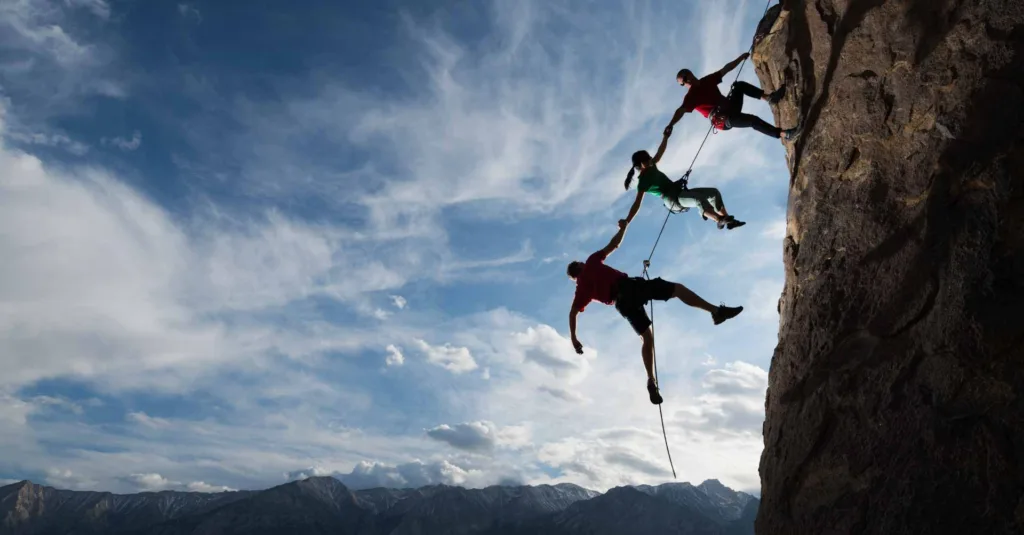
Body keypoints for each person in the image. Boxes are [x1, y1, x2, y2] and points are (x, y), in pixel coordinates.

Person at [566, 219, 744, 405]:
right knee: (676, 289)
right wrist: (623, 227)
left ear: (574, 278)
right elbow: (615, 244)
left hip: (622, 304)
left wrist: (574, 339)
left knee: (647, 338)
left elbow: (572, 313)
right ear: (579, 266)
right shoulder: (591, 262)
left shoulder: (581, 291)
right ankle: (716, 311)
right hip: (630, 288)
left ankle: (651, 380)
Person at [622, 130, 745, 230]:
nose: (650, 160)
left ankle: (729, 220)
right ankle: (718, 220)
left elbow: (660, 152)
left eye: (649, 158)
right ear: (640, 164)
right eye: (647, 160)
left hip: (678, 191)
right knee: (698, 199)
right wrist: (627, 221)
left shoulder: (651, 165)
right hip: (672, 200)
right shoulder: (642, 182)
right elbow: (636, 204)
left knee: (713, 193)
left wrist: (665, 137)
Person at [664, 52, 800, 141]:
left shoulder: (707, 81)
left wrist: (741, 58)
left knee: (738, 85)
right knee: (753, 120)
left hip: (730, 106)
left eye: (686, 77)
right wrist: (671, 124)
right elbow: (680, 111)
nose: (687, 82)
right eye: (683, 82)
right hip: (724, 119)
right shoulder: (691, 96)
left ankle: (770, 99)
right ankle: (785, 134)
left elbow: (725, 69)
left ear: (690, 74)